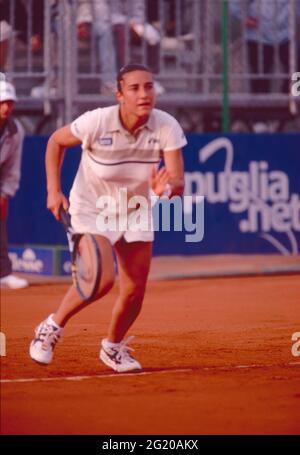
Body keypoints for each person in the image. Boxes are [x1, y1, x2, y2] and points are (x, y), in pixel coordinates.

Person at [29, 63, 187, 372]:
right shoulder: (97, 122)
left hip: (135, 209)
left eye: (149, 86)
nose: (144, 94)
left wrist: (164, 191)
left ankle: (113, 348)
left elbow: (178, 184)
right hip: (91, 208)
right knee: (102, 279)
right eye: (135, 88)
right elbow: (55, 142)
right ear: (119, 95)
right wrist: (53, 190)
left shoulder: (166, 125)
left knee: (134, 289)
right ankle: (51, 328)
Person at [0, 79, 28, 289]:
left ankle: (3, 273)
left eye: (10, 103)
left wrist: (5, 194)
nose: (6, 108)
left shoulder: (16, 130)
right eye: (2, 103)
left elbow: (12, 168)